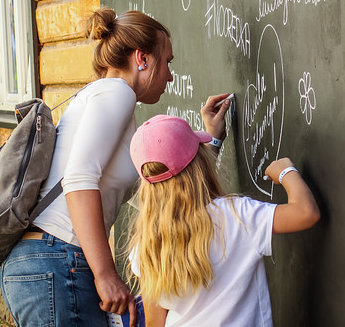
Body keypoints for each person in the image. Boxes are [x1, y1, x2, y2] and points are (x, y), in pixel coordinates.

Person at [0, 8, 231, 327]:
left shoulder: (113, 104)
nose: (170, 76)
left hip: (48, 262)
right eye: (168, 62)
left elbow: (166, 192)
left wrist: (211, 142)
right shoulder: (116, 92)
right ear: (143, 59)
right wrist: (106, 274)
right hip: (58, 258)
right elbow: (78, 180)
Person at [127, 115, 321, 326]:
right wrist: (285, 171)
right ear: (201, 164)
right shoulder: (238, 216)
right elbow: (305, 213)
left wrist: (215, 140)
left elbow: (154, 322)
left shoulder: (146, 243)